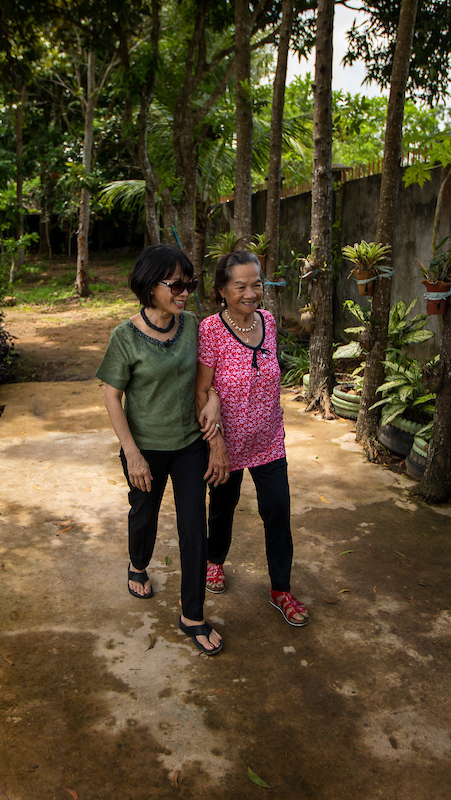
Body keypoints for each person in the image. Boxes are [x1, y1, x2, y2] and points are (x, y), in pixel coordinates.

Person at [96, 244, 225, 656]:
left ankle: (192, 614)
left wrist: (216, 404)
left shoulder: (193, 327)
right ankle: (138, 563)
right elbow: (112, 397)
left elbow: (209, 378)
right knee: (144, 515)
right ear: (150, 286)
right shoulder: (124, 336)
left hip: (188, 444)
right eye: (177, 284)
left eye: (189, 283)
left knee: (193, 527)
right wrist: (131, 453)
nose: (185, 291)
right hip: (145, 448)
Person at [197, 250, 309, 627]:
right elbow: (202, 391)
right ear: (222, 290)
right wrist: (216, 445)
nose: (250, 293)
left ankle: (281, 588)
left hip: (268, 440)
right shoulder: (211, 329)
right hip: (226, 442)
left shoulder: (270, 322)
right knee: (222, 507)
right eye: (240, 286)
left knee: (277, 511)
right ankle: (214, 561)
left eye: (256, 284)